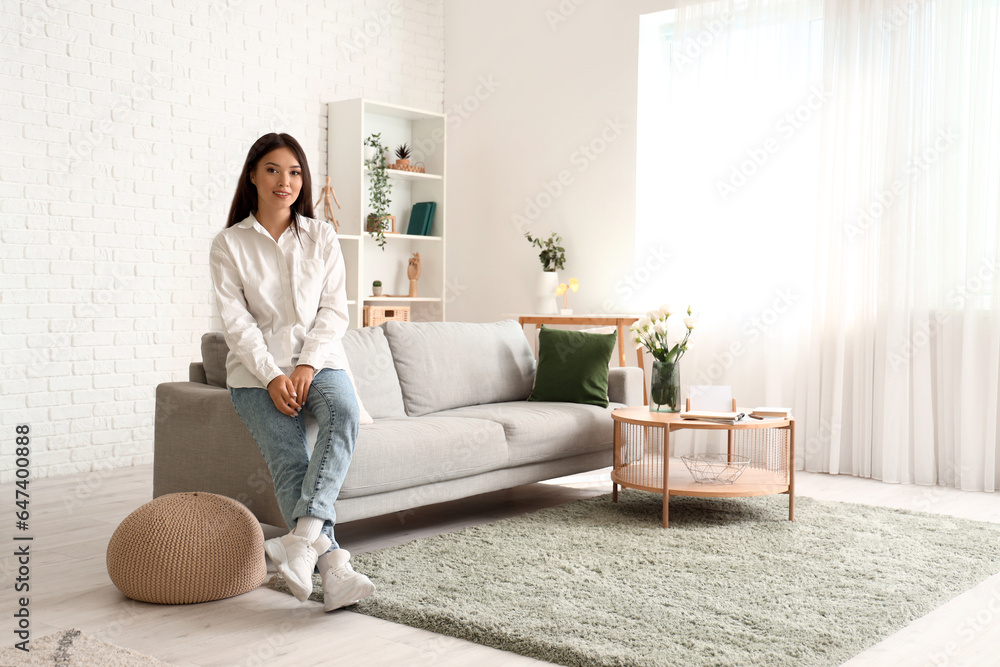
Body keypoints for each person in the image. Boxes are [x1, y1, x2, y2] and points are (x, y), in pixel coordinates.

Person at [209, 133, 375, 612]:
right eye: (274, 170)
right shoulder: (229, 244)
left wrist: (305, 364)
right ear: (253, 176)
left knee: (343, 414)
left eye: (295, 172)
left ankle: (300, 540)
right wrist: (271, 376)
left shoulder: (321, 236)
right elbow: (236, 323)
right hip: (254, 373)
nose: (286, 182)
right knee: (289, 459)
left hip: (319, 362)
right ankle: (335, 567)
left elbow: (334, 310)